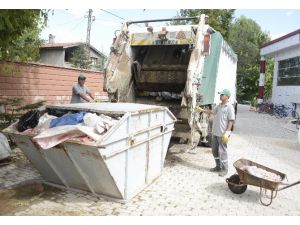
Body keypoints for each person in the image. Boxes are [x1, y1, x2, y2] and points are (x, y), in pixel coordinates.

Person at [196, 89, 235, 176]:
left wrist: (227, 132)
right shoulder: (219, 106)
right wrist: (202, 110)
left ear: (227, 96)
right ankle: (218, 166)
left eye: (222, 95)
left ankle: (225, 169)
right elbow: (212, 112)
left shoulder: (229, 107)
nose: (220, 96)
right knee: (214, 151)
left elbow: (231, 120)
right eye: (220, 94)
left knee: (222, 151)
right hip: (216, 133)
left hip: (223, 134)